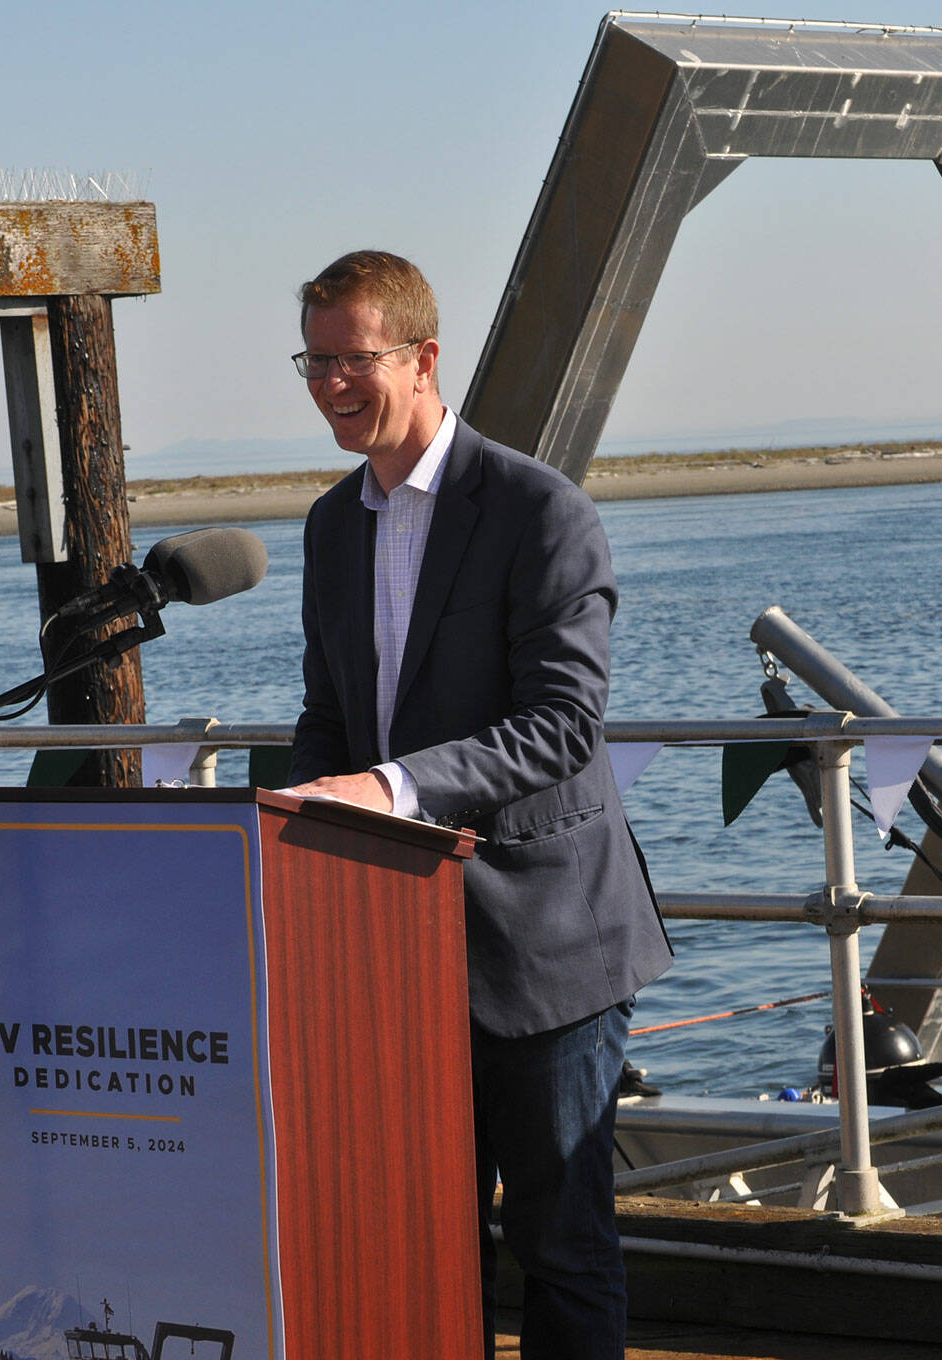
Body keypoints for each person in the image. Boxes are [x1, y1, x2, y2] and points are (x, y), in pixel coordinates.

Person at [283, 249, 672, 1359]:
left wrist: (387, 787)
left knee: (560, 1249)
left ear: (423, 358)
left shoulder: (538, 510)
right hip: (394, 949)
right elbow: (330, 715)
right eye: (312, 362)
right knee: (419, 1237)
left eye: (350, 360)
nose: (328, 386)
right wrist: (297, 803)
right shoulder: (327, 525)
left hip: (546, 947)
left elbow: (562, 727)